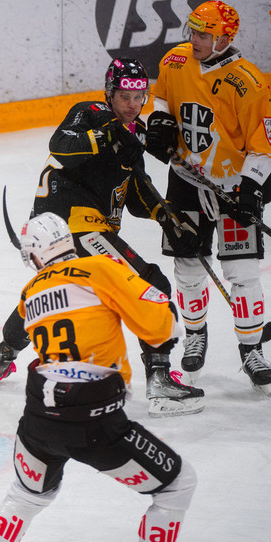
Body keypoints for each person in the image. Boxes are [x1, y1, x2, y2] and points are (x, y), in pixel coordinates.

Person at [0, 58, 204, 417]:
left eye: (140, 96)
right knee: (150, 283)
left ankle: (1, 356)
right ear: (110, 93)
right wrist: (108, 134)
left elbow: (136, 192)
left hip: (82, 228)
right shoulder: (91, 112)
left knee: (55, 291)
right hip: (68, 226)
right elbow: (60, 144)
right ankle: (158, 379)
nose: (133, 104)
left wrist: (166, 217)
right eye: (125, 96)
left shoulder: (132, 135)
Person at [0, 212, 197, 542]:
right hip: (96, 422)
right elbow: (159, 328)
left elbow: (22, 325)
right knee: (177, 486)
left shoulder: (31, 291)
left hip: (37, 421)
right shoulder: (100, 268)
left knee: (26, 497)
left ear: (35, 254)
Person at [144, 0, 271, 393]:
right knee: (188, 265)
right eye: (192, 30)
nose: (193, 39)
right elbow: (162, 98)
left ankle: (251, 349)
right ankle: (196, 334)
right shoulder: (175, 61)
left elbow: (263, 147)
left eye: (203, 34)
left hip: (232, 188)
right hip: (185, 180)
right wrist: (160, 119)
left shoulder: (250, 82)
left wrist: (251, 190)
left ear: (224, 39)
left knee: (244, 273)